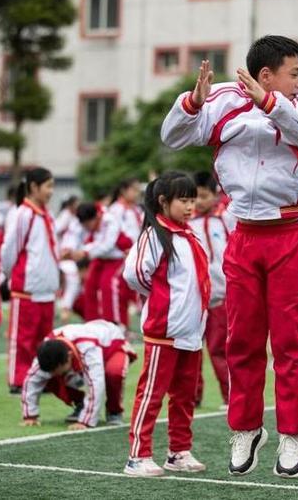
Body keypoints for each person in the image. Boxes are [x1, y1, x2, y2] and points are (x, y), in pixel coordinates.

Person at [161, 35, 298, 478]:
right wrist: (192, 103)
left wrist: (270, 102)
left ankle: (292, 434)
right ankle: (246, 427)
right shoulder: (224, 99)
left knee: (290, 343)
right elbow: (171, 136)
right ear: (267, 72)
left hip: (289, 233)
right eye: (295, 72)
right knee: (242, 342)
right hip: (244, 236)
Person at [122, 172, 210, 477]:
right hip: (165, 329)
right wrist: (160, 297)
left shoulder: (189, 234)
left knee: (185, 395)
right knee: (152, 393)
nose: (190, 206)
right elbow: (134, 273)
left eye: (192, 199)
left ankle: (178, 451)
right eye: (183, 200)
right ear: (163, 202)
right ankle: (138, 455)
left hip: (191, 329)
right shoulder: (154, 235)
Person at [0, 168, 60, 393]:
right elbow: (9, 249)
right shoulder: (22, 213)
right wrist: (9, 274)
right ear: (34, 187)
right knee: (22, 338)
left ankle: (40, 376)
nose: (51, 191)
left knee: (43, 339)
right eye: (48, 186)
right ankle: (18, 380)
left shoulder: (47, 214)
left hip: (46, 286)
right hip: (27, 286)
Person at [21, 319, 136, 429]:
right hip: (89, 344)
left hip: (113, 347)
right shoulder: (48, 349)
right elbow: (32, 379)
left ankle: (114, 411)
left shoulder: (87, 347)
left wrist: (85, 421)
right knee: (49, 378)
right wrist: (30, 415)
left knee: (113, 373)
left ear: (69, 356)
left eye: (57, 369)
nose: (53, 373)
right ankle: (80, 403)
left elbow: (96, 382)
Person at [190, 171, 232, 407]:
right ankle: (193, 396)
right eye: (194, 197)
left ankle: (229, 396)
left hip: (220, 295)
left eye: (204, 196)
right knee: (192, 348)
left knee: (219, 349)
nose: (199, 202)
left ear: (215, 195)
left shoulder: (225, 219)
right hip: (195, 297)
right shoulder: (188, 222)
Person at [73, 202, 132, 326]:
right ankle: (92, 323)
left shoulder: (110, 220)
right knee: (89, 285)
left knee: (109, 285)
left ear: (96, 217)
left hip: (118, 257)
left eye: (88, 224)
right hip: (100, 258)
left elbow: (107, 245)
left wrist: (85, 251)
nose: (87, 228)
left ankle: (116, 324)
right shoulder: (89, 223)